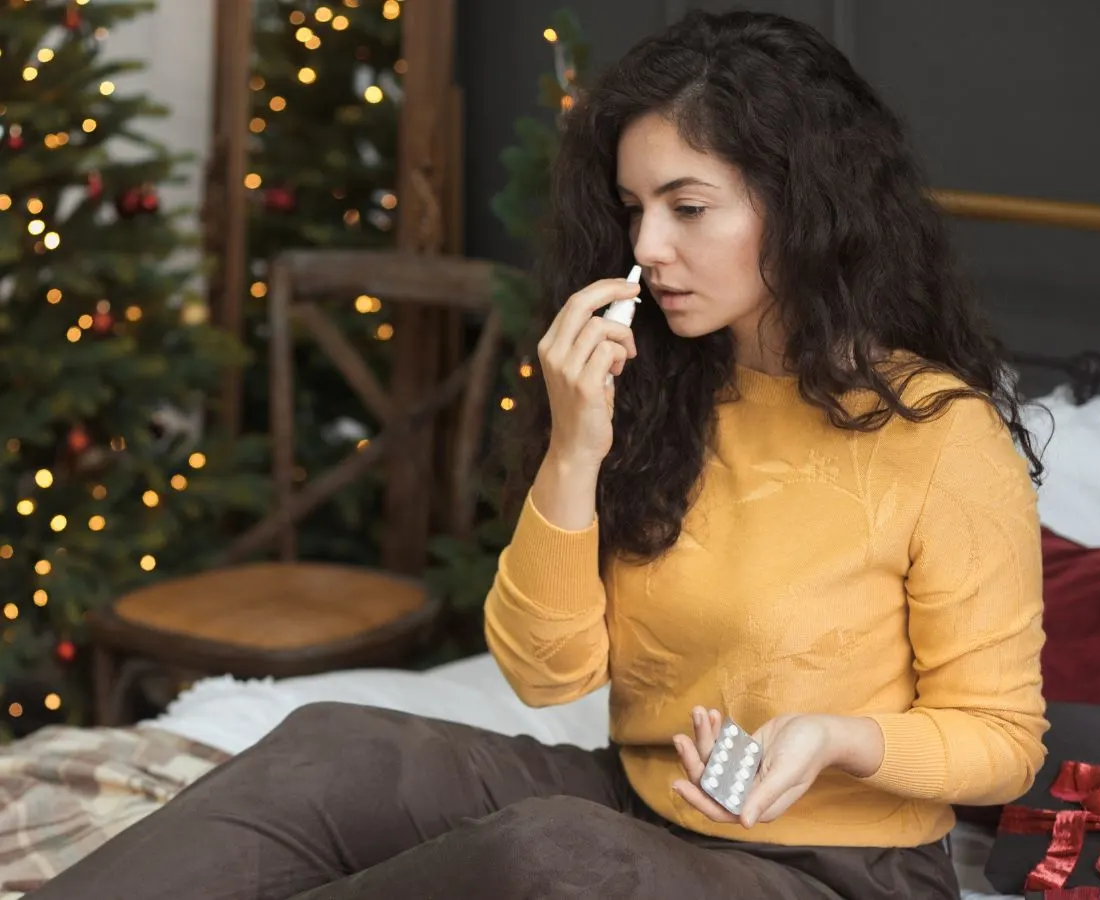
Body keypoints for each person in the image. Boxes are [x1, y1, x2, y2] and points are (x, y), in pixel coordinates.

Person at [29, 10, 1048, 899]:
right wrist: (574, 447)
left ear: (807, 206)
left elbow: (1003, 746)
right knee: (333, 747)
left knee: (554, 859)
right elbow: (546, 673)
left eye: (688, 208)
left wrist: (840, 738)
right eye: (635, 208)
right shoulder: (664, 386)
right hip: (641, 806)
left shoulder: (940, 436)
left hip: (836, 874)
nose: (647, 245)